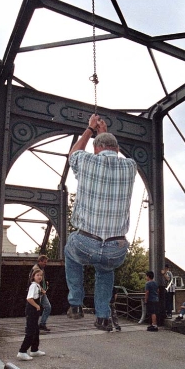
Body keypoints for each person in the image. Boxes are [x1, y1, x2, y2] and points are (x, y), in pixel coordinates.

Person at [64, 114, 137, 331]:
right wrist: (105, 133)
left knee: (70, 250)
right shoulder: (130, 166)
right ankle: (102, 316)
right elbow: (114, 151)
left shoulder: (87, 161)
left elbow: (73, 155)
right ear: (116, 148)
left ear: (96, 148)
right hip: (117, 248)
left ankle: (75, 304)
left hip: (86, 242)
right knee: (105, 270)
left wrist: (89, 129)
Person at [17, 269, 46, 360]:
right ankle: (22, 351)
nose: (40, 277)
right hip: (31, 310)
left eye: (41, 275)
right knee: (31, 331)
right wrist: (37, 306)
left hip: (35, 310)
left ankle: (34, 349)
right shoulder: (33, 286)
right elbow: (29, 298)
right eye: (37, 275)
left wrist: (42, 290)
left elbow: (39, 290)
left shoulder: (37, 285)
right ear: (33, 276)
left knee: (36, 330)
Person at [29, 255, 51, 332]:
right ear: (40, 261)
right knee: (38, 308)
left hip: (41, 292)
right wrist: (42, 290)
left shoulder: (41, 268)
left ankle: (41, 324)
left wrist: (45, 283)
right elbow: (34, 281)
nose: (45, 264)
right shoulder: (36, 269)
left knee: (46, 307)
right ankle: (35, 325)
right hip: (38, 292)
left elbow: (40, 280)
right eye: (44, 262)